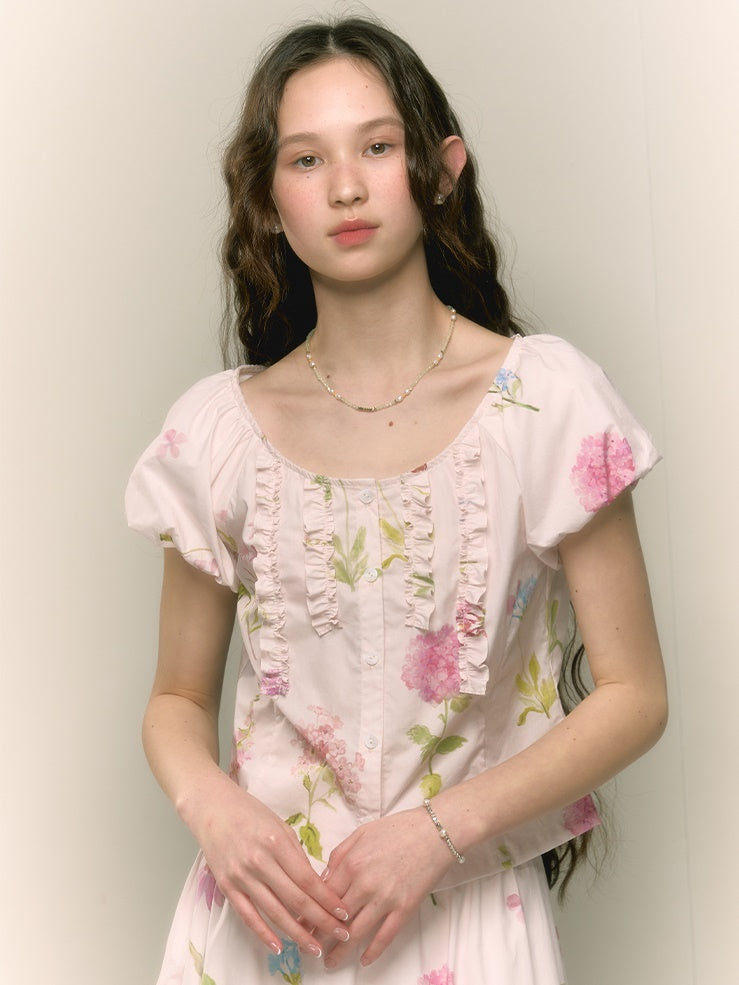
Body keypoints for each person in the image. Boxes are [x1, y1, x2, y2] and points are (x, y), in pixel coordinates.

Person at [126, 15, 667, 985]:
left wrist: (436, 832)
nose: (345, 186)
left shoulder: (547, 403)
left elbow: (636, 695)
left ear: (441, 169)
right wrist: (215, 811)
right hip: (257, 923)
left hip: (464, 915)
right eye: (306, 159)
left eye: (376, 146)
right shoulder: (216, 432)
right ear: (265, 200)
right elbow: (176, 697)